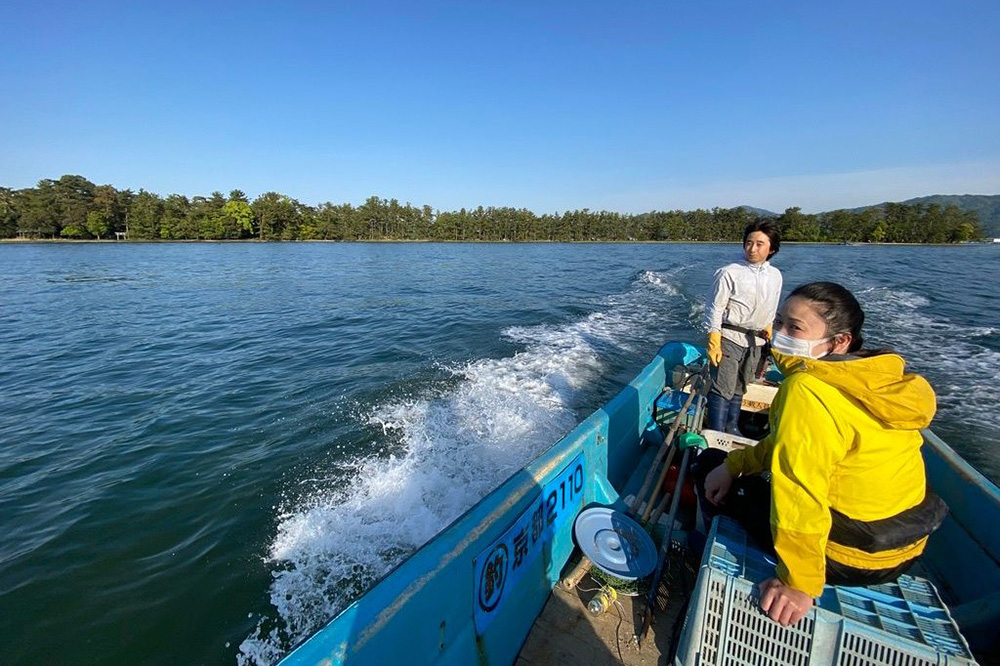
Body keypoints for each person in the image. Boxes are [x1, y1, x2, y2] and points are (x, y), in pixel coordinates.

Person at [697, 282, 947, 627]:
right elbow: (790, 445)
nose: (779, 334)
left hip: (848, 559)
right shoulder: (875, 381)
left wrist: (798, 584)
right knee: (730, 466)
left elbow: (800, 489)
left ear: (839, 341)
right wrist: (736, 464)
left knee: (706, 461)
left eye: (794, 328)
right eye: (780, 322)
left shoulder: (806, 389)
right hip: (903, 549)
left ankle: (700, 547)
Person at [703, 220, 783, 434]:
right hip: (730, 337)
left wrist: (768, 331)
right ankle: (716, 432)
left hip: (756, 341)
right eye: (749, 243)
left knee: (741, 384)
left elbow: (772, 307)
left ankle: (732, 427)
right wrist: (714, 339)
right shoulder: (729, 272)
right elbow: (714, 308)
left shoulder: (776, 276)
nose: (752, 249)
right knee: (723, 386)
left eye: (759, 244)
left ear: (772, 248)